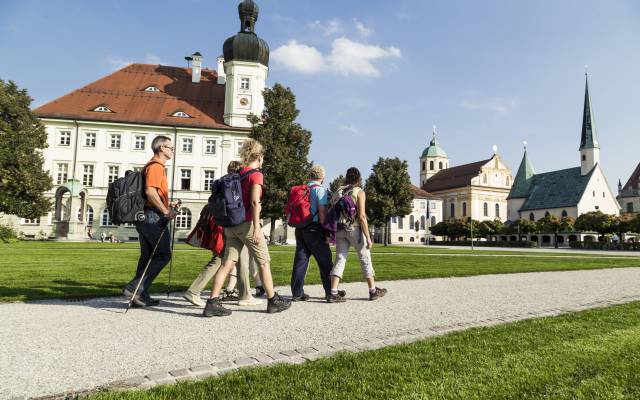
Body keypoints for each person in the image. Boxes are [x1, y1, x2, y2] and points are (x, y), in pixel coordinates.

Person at [203, 139, 291, 316]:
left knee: (227, 263)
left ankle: (212, 302)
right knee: (264, 262)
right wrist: (257, 228)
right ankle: (273, 300)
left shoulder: (239, 173)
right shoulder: (256, 174)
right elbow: (254, 201)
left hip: (231, 225)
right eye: (263, 156)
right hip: (247, 223)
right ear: (259, 156)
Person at [183, 161, 264, 307]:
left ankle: (243, 294)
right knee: (225, 260)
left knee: (230, 260)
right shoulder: (234, 185)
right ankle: (195, 291)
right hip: (230, 228)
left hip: (221, 227)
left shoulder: (223, 184)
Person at [122, 135, 179, 307]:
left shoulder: (152, 166)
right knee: (163, 254)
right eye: (171, 147)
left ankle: (140, 295)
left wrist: (168, 204)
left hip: (146, 215)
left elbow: (154, 192)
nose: (172, 150)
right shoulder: (156, 167)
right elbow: (150, 192)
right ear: (161, 148)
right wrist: (165, 210)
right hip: (152, 216)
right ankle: (134, 288)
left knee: (147, 256)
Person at [328, 167, 387, 302]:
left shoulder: (339, 191)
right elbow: (361, 216)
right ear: (359, 178)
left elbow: (331, 208)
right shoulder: (359, 192)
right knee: (364, 258)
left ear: (346, 177)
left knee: (340, 259)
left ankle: (333, 292)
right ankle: (373, 290)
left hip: (339, 229)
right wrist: (368, 237)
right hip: (354, 229)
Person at [290, 165, 344, 302]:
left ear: (310, 176)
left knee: (301, 260)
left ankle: (297, 293)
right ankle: (331, 292)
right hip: (314, 229)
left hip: (300, 228)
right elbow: (322, 214)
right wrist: (327, 233)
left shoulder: (302, 190)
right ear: (322, 177)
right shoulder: (320, 190)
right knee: (325, 260)